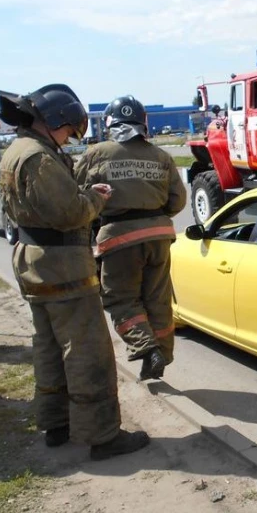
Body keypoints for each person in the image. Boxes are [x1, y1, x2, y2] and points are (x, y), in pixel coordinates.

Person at [0, 84, 149, 460]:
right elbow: (70, 214)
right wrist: (96, 198)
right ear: (53, 120)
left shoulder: (17, 150)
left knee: (48, 347)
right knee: (87, 351)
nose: (68, 138)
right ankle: (103, 435)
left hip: (34, 262)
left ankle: (56, 424)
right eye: (66, 130)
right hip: (62, 265)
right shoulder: (40, 157)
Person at [75, 95, 186, 381]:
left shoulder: (97, 153)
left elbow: (76, 193)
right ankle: (162, 352)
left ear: (110, 123)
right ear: (143, 123)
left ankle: (147, 349)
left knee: (121, 299)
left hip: (119, 238)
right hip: (159, 236)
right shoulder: (161, 156)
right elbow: (178, 200)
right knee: (157, 299)